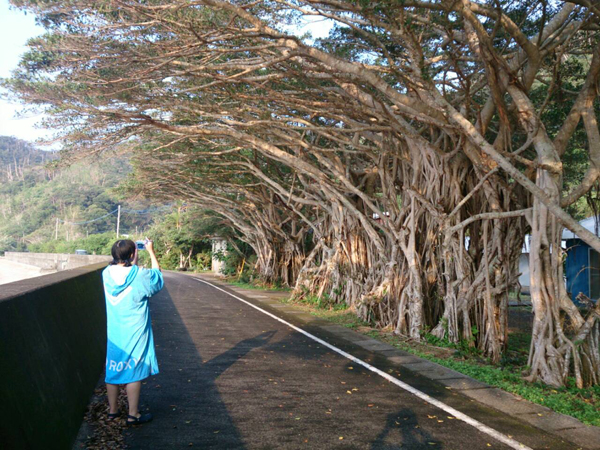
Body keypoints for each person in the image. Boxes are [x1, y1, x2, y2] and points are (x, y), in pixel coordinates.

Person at [102, 238, 164, 426]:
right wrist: (151, 251)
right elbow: (157, 278)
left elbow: (127, 274)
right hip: (135, 329)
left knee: (113, 369)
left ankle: (113, 411)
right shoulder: (140, 274)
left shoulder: (106, 273)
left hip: (115, 330)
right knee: (133, 371)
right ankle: (133, 414)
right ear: (132, 254)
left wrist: (131, 258)